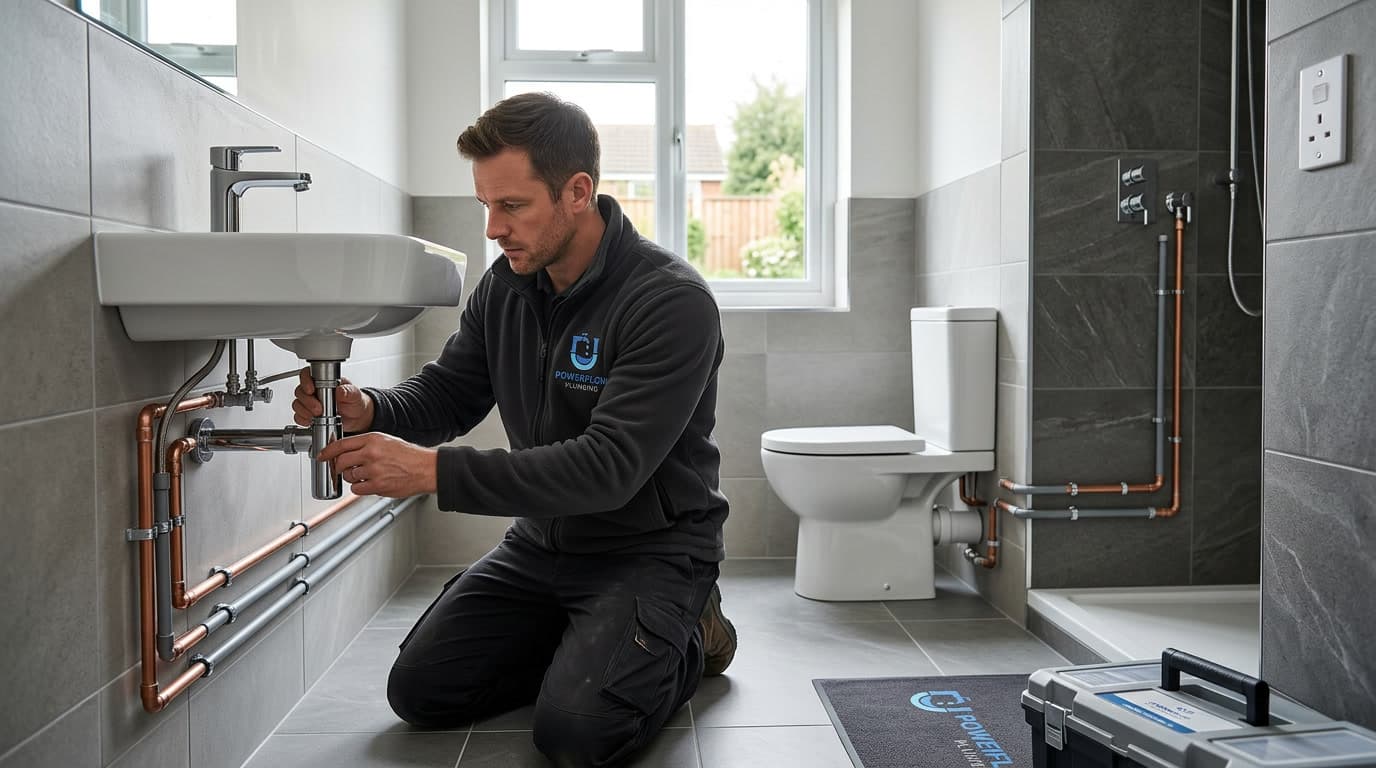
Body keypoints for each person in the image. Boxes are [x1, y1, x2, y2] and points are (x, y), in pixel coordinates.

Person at [292, 91, 736, 767]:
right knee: (422, 691)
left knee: (577, 736)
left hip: (648, 549)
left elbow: (607, 467)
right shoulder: (507, 288)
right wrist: (371, 408)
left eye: (513, 206)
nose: (494, 229)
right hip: (541, 545)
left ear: (577, 191)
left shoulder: (668, 302)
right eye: (486, 208)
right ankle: (593, 642)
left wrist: (432, 472)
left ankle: (692, 632)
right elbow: (450, 391)